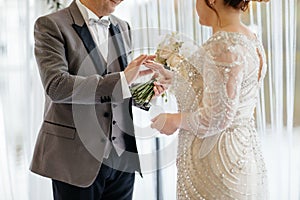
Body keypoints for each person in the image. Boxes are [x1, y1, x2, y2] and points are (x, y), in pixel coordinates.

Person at [30, 0, 164, 199]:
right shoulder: (50, 25)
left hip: (122, 160)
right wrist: (123, 79)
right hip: (75, 161)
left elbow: (116, 89)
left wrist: (147, 91)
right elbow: (57, 86)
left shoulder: (123, 27)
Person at [146, 0, 269, 199]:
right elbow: (221, 93)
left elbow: (218, 116)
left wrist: (173, 120)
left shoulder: (224, 44)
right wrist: (173, 80)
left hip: (217, 157)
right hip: (241, 150)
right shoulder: (249, 37)